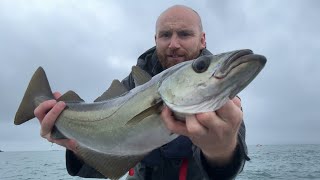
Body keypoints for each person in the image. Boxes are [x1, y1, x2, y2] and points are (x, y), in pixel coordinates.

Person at [34, 5, 249, 180]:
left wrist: (221, 152)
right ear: (156, 40)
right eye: (165, 35)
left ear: (202, 39)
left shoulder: (217, 87)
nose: (174, 44)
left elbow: (229, 169)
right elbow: (102, 166)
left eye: (184, 34)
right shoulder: (131, 84)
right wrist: (75, 144)